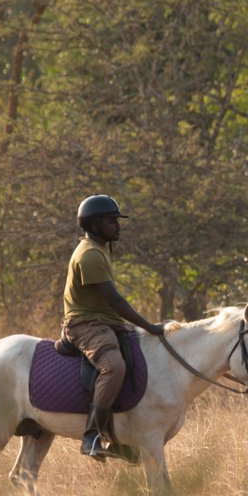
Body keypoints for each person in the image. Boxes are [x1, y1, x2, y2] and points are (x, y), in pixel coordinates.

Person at [63, 194, 167, 460]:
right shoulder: (89, 255)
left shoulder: (101, 249)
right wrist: (149, 326)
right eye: (111, 221)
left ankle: (120, 437)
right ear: (95, 224)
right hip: (85, 324)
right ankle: (92, 436)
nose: (117, 226)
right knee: (114, 366)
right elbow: (115, 300)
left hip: (105, 321)